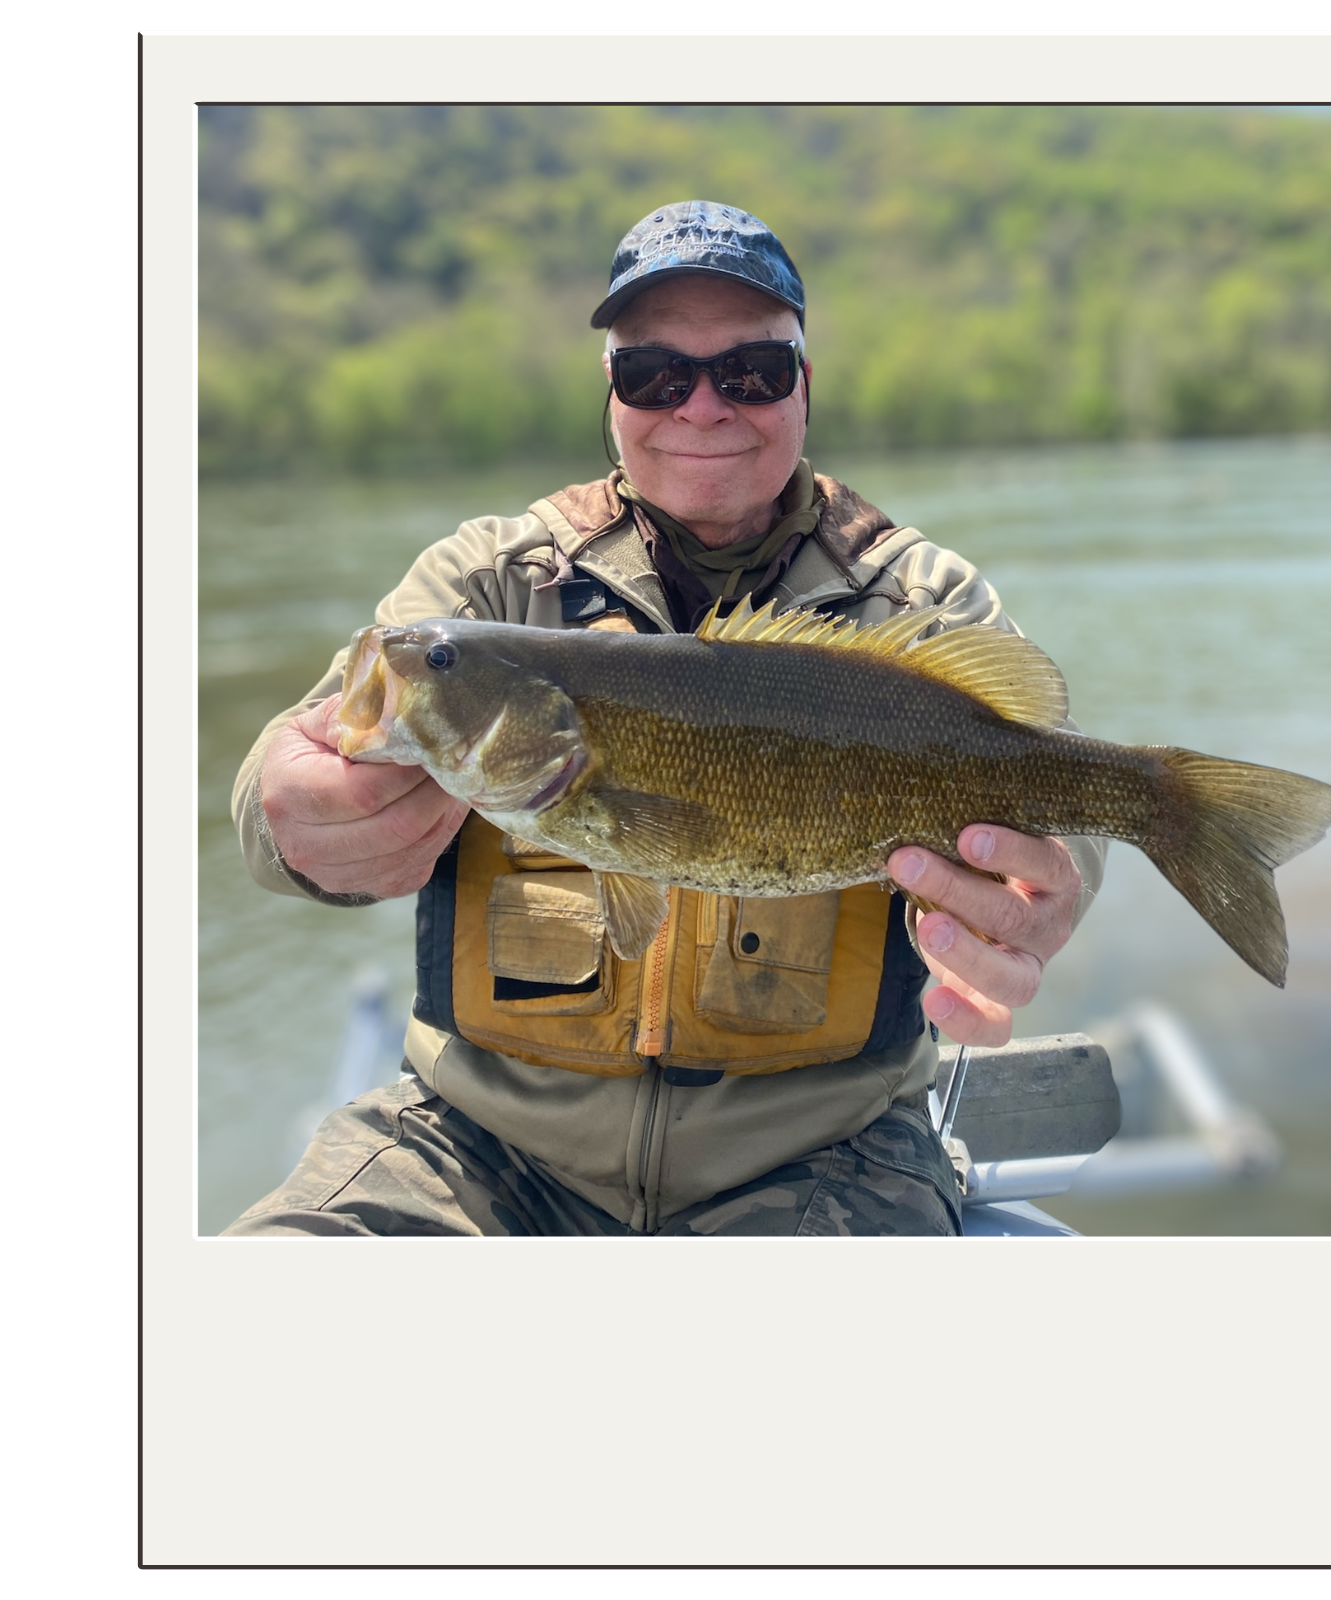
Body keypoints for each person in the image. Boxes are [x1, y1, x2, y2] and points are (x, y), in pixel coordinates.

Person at [224, 200, 1105, 1238]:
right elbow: (283, 775)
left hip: (829, 1155)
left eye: (749, 373)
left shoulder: (914, 602)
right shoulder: (483, 592)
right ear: (613, 396)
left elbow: (1061, 805)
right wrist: (294, 822)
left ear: (802, 389)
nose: (700, 407)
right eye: (655, 374)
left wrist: (1052, 891)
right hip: (473, 1141)